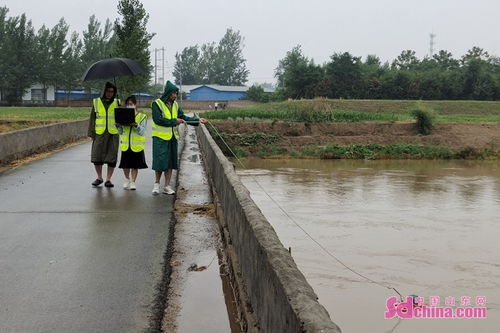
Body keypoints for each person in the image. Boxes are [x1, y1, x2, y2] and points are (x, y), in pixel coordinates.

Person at [151, 81, 207, 195]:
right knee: (160, 161)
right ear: (168, 93)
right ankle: (156, 184)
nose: (175, 96)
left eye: (176, 94)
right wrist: (174, 121)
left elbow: (183, 117)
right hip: (160, 138)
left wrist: (198, 121)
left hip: (172, 137)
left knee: (171, 161)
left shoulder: (175, 105)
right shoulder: (157, 104)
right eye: (173, 94)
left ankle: (167, 186)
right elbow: (158, 120)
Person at [88, 82, 120, 188]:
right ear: (104, 91)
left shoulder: (117, 102)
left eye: (112, 92)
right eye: (108, 91)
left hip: (113, 133)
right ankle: (99, 177)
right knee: (97, 156)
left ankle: (108, 179)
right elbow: (92, 118)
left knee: (112, 157)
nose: (110, 94)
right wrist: (91, 133)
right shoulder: (96, 102)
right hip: (99, 133)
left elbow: (122, 117)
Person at [117, 95, 148, 190]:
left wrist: (136, 125)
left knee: (135, 165)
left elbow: (142, 131)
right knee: (125, 164)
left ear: (135, 104)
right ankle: (127, 179)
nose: (129, 106)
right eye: (127, 104)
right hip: (126, 144)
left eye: (131, 104)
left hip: (136, 145)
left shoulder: (142, 116)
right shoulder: (122, 115)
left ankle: (133, 181)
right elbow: (121, 132)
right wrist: (118, 126)